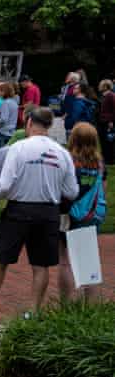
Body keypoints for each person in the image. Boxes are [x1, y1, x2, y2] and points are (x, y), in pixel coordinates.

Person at [0, 107, 79, 322]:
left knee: (0, 259)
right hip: (48, 213)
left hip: (19, 211)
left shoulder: (18, 148)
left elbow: (4, 184)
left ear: (29, 123)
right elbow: (72, 191)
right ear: (49, 125)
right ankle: (33, 313)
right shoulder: (62, 153)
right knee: (41, 265)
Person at [58, 122, 107, 301]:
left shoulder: (68, 161)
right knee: (88, 260)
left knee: (64, 260)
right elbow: (102, 188)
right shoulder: (99, 163)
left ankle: (67, 303)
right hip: (91, 214)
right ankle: (91, 306)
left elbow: (64, 190)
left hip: (68, 214)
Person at [98, 79, 115, 165]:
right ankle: (105, 158)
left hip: (108, 122)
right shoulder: (103, 96)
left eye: (101, 85)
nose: (99, 86)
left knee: (109, 141)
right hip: (102, 121)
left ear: (105, 86)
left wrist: (111, 121)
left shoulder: (111, 95)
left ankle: (110, 160)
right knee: (103, 141)